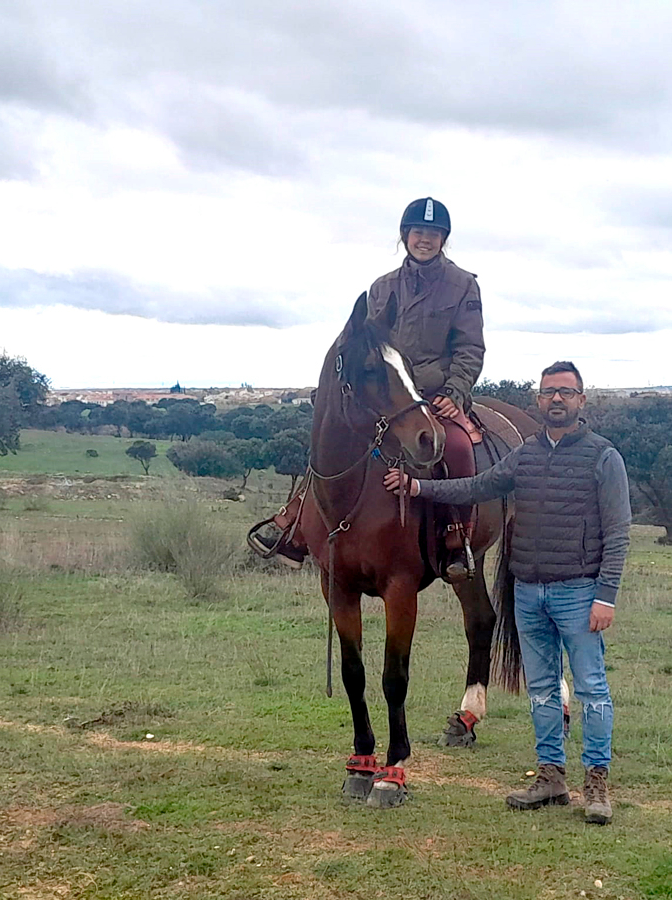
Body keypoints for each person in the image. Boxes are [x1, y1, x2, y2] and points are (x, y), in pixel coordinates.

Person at [383, 361, 631, 824]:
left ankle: (596, 784)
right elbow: (478, 486)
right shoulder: (526, 454)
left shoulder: (603, 457)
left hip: (578, 592)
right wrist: (418, 487)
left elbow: (618, 533)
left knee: (593, 689)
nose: (556, 399)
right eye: (549, 392)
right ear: (538, 400)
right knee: (541, 690)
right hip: (528, 592)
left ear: (581, 400)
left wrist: (606, 595)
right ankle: (550, 777)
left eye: (566, 392)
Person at [253, 197, 486, 581]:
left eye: (433, 234)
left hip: (436, 392)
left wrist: (454, 391)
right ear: (405, 235)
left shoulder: (463, 286)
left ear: (443, 239)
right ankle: (295, 523)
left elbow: (470, 348)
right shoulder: (382, 287)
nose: (424, 240)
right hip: (387, 393)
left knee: (458, 447)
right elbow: (369, 342)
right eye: (418, 232)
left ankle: (456, 536)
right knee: (336, 438)